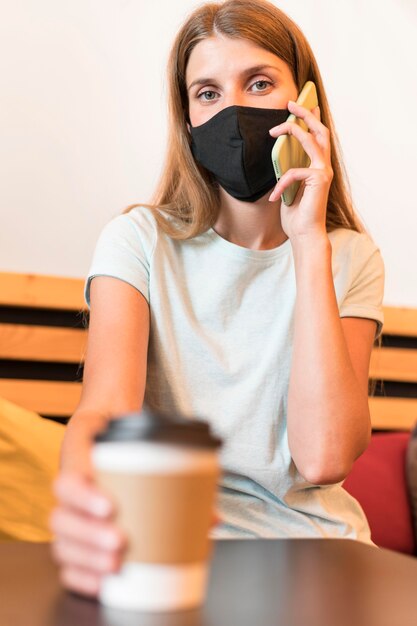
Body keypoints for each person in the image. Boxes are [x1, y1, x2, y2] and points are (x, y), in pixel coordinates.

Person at [49, 0, 384, 598]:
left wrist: (308, 243)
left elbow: (325, 457)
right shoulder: (138, 242)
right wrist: (85, 501)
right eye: (206, 93)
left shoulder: (350, 257)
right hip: (176, 551)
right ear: (186, 117)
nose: (232, 111)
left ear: (304, 100)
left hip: (322, 559)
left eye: (258, 83)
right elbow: (103, 409)